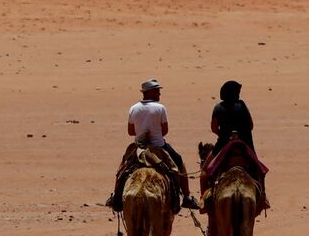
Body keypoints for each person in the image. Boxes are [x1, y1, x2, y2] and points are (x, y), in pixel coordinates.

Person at [107, 79, 198, 212]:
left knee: (122, 168)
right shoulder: (160, 108)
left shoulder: (133, 108)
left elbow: (131, 131)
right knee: (179, 162)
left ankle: (116, 197)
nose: (159, 94)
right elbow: (165, 131)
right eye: (157, 91)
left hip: (139, 147)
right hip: (159, 146)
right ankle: (187, 197)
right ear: (150, 92)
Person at [204, 79, 268, 211]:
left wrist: (223, 135)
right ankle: (263, 198)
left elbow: (214, 128)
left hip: (223, 145)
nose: (239, 94)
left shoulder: (218, 108)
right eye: (238, 91)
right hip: (244, 144)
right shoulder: (242, 105)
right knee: (259, 169)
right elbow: (250, 125)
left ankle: (204, 201)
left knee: (205, 170)